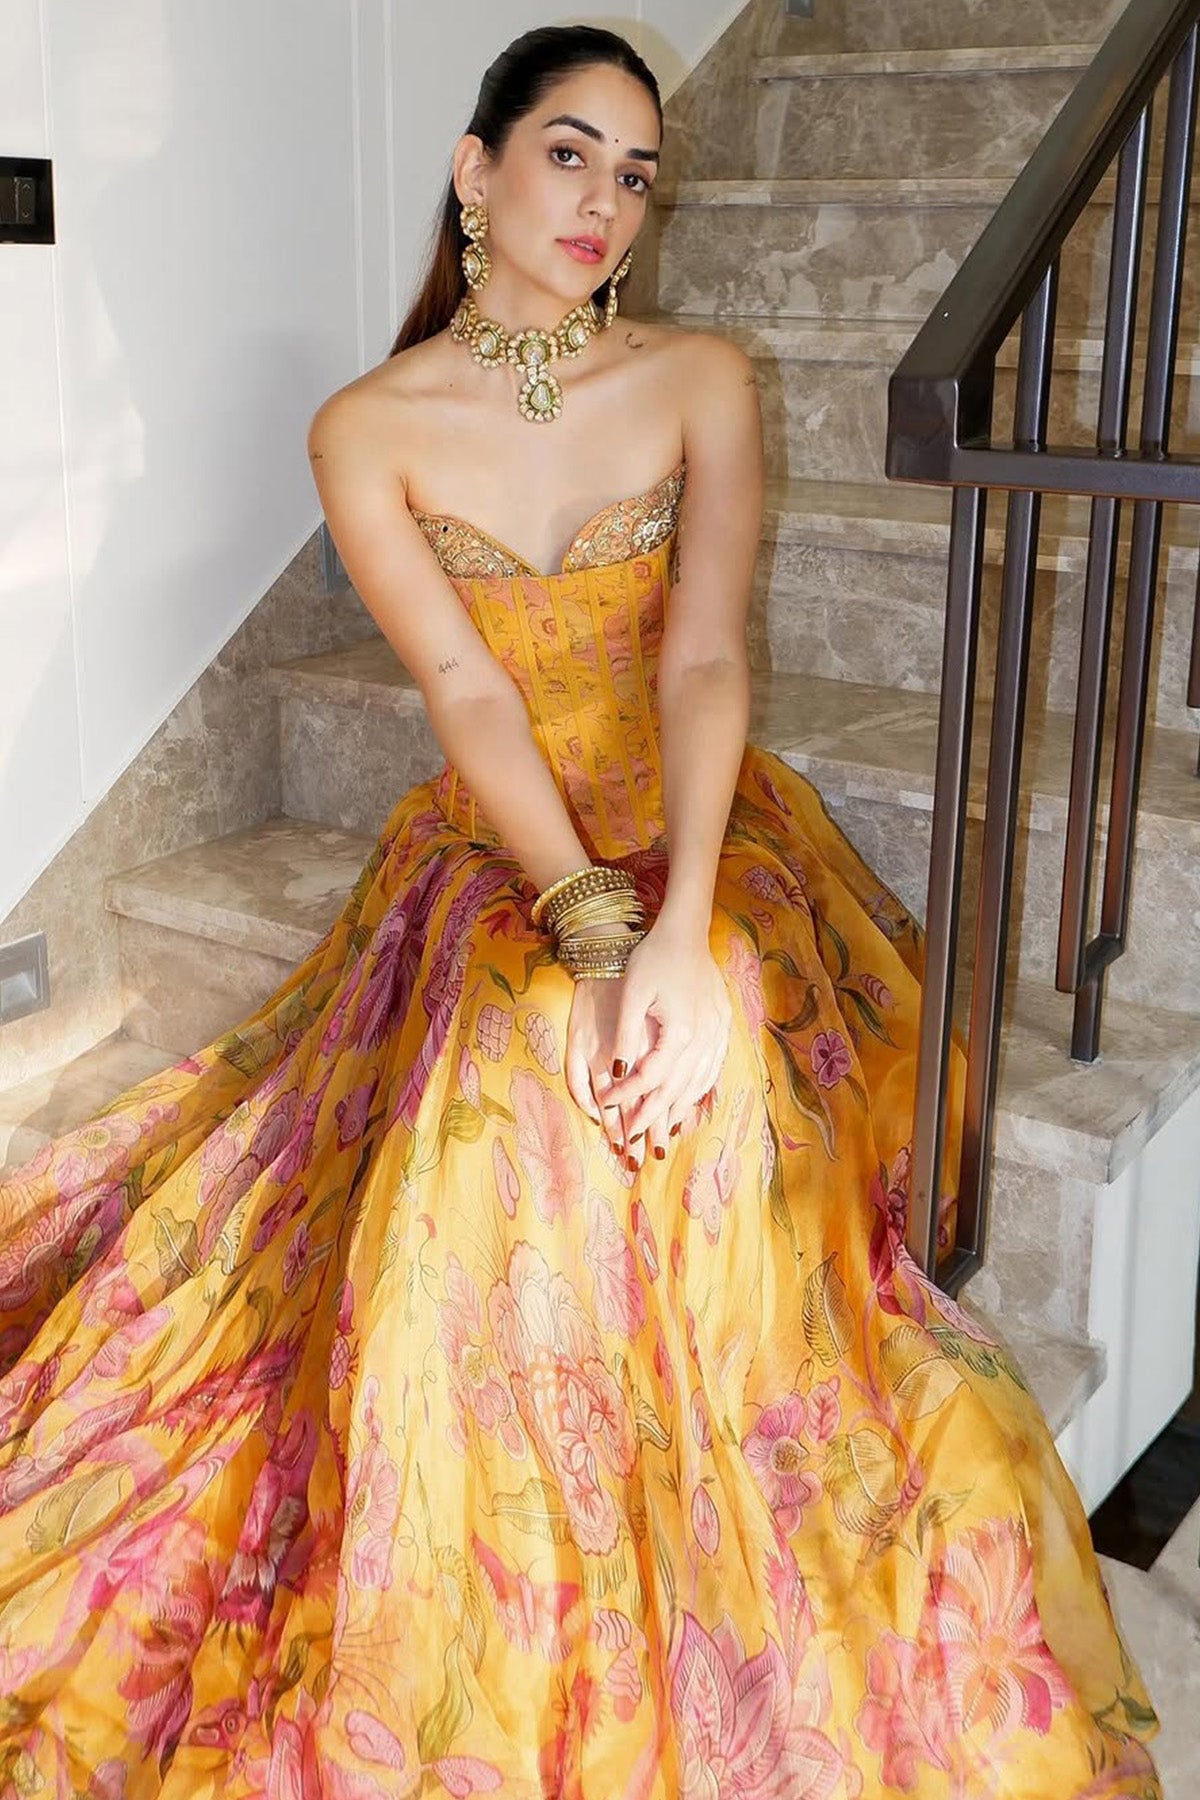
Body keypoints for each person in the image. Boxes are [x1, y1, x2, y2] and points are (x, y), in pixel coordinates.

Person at [0, 23, 1163, 1799]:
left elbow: (703, 660)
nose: (606, 202)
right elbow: (470, 692)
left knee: (702, 1062)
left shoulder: (701, 377)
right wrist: (592, 928)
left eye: (636, 173)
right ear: (475, 170)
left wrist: (681, 929)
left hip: (702, 827)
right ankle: (498, 1555)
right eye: (568, 153)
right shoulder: (366, 428)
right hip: (508, 844)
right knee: (525, 1063)